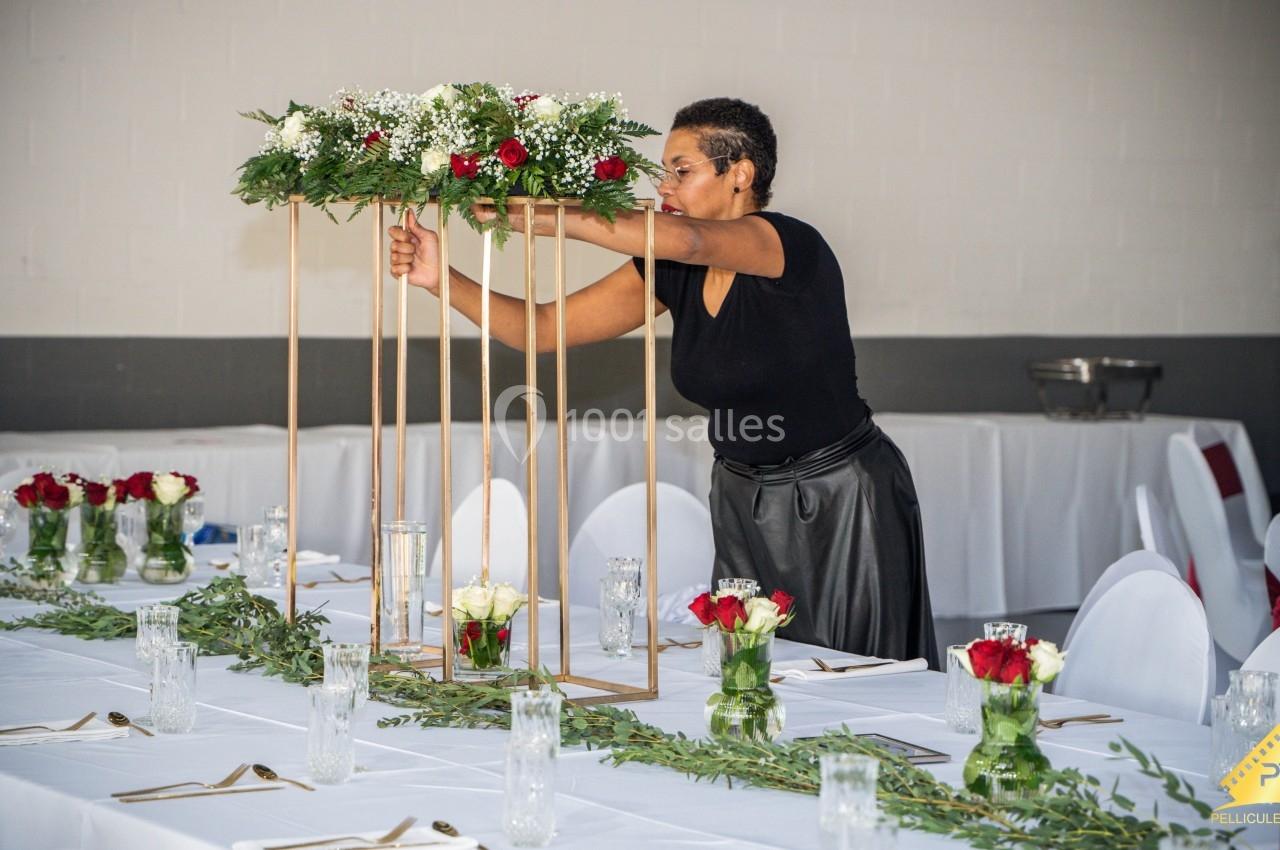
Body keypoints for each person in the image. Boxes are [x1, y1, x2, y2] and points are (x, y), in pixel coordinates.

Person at [389, 97, 939, 667]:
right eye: (663, 173)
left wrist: (538, 214)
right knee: (745, 675)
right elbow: (542, 329)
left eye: (682, 170)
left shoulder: (785, 243)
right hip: (740, 500)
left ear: (740, 174)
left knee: (855, 680)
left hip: (839, 498)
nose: (664, 187)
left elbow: (691, 239)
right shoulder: (671, 268)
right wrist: (440, 280)